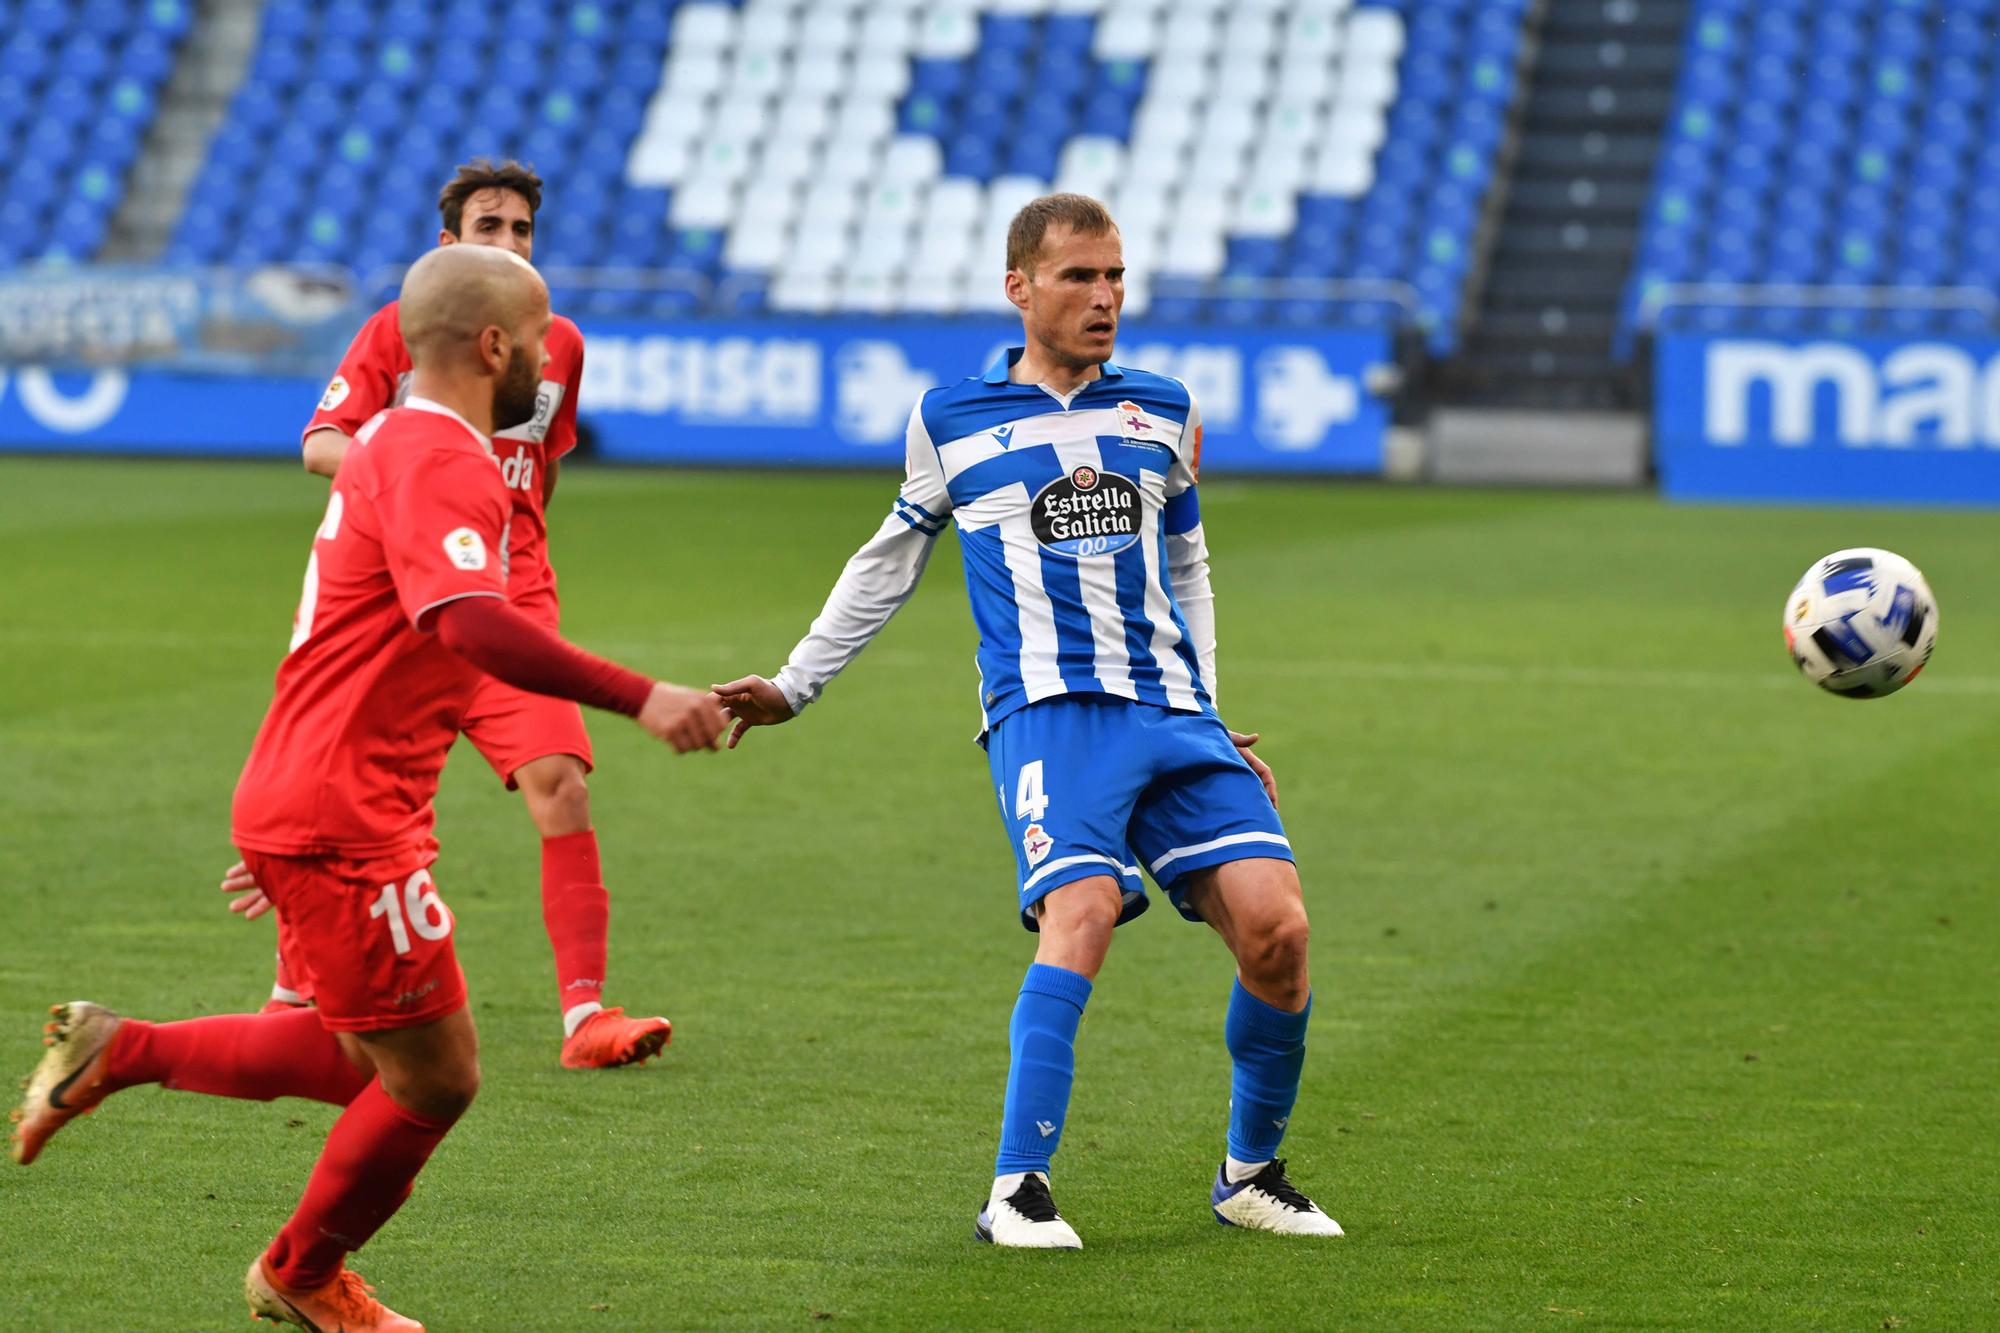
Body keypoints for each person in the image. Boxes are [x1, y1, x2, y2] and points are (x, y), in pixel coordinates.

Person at [11, 245, 729, 1331]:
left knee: (364, 1054)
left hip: (323, 798)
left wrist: (297, 821)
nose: (548, 354)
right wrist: (643, 696)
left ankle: (124, 1049)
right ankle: (299, 1273)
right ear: (494, 345)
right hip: (340, 811)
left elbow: (385, 655)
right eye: (536, 335)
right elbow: (470, 624)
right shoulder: (444, 456)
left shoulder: (388, 440)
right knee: (434, 1078)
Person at [714, 194, 1342, 1249]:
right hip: (1047, 715)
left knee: (1277, 930)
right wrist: (794, 683)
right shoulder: (950, 419)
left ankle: (1249, 1171)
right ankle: (1017, 1188)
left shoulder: (1164, 408)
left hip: (1172, 710)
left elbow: (1186, 563)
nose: (1103, 299)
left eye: (1115, 277)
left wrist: (1211, 705)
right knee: (1084, 910)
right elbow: (886, 564)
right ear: (1019, 288)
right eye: (1078, 278)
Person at [225, 158, 669, 1069]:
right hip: (399, 605)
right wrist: (404, 489)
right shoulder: (405, 329)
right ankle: (293, 992)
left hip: (512, 601)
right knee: (353, 802)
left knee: (563, 782)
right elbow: (320, 442)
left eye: (521, 231)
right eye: (489, 227)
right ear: (449, 243)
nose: (507, 243)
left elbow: (536, 477)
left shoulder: (558, 346)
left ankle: (584, 1019)